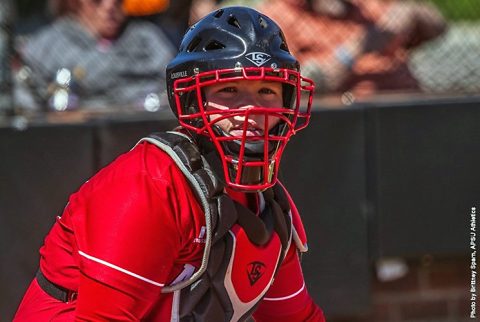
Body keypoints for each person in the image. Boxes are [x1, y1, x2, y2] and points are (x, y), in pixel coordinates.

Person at [14, 6, 325, 321]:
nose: (251, 109)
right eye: (229, 89)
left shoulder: (269, 204)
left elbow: (297, 317)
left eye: (267, 90)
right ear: (192, 97)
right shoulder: (150, 185)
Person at [252, 0, 447, 97]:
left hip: (409, 105)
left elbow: (438, 28)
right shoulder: (279, 15)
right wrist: (356, 49)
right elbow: (296, 89)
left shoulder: (364, 6)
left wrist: (411, 12)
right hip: (343, 120)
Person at [14, 0, 175, 111]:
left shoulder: (146, 38)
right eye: (97, 0)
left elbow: (174, 82)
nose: (109, 5)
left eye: (118, 0)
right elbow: (29, 103)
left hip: (142, 134)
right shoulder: (47, 45)